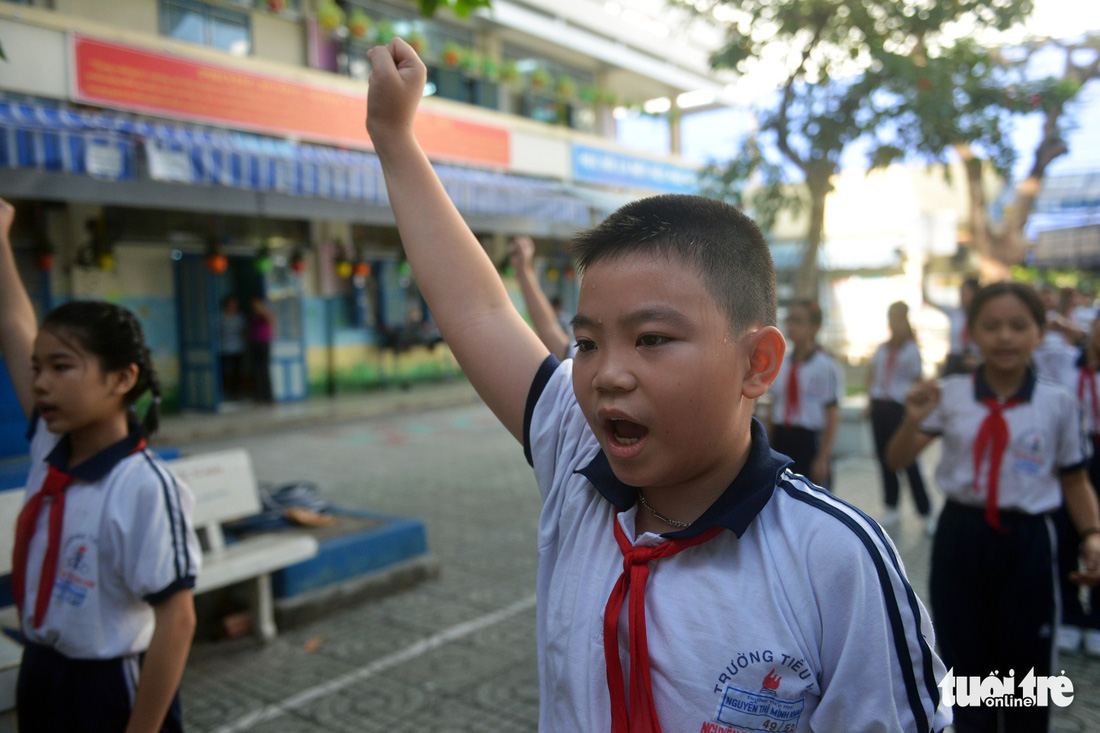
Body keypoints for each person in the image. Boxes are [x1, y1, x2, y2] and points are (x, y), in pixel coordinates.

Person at [365, 38, 950, 731]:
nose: (608, 372)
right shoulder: (578, 473)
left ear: (757, 363)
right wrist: (394, 137)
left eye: (652, 339)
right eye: (586, 342)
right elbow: (477, 309)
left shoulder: (836, 558)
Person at [0, 198, 201, 732]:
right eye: (36, 368)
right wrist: (1, 238)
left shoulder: (142, 485)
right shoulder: (51, 446)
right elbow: (11, 320)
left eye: (61, 367)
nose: (40, 382)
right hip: (42, 669)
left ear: (121, 379)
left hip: (107, 686)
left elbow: (177, 621)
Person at [886, 282, 1100, 733]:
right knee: (966, 660)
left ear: (1039, 334)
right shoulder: (952, 394)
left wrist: (1092, 536)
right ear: (974, 334)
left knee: (1026, 667)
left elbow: (1075, 478)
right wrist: (912, 417)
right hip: (961, 536)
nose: (1005, 337)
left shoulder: (1058, 403)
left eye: (1018, 326)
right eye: (992, 326)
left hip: (1028, 543)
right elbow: (898, 459)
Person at [1053, 315, 1100, 656]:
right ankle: (1070, 614)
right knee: (1067, 532)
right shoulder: (1064, 363)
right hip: (1071, 455)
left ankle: (1097, 617)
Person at [867, 301, 933, 532]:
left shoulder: (910, 350)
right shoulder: (883, 349)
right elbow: (872, 374)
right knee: (884, 459)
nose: (894, 323)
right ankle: (892, 506)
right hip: (880, 407)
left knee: (909, 461)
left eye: (898, 318)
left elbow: (917, 380)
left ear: (905, 321)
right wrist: (869, 401)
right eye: (891, 317)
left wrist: (914, 414)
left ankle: (925, 512)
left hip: (899, 408)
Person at [766, 299, 842, 487]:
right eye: (790, 320)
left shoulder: (825, 366)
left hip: (808, 440)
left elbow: (832, 413)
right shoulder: (781, 363)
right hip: (782, 435)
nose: (791, 326)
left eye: (798, 321)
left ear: (814, 327)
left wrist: (823, 457)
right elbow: (774, 405)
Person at [507, 235, 574, 360]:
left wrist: (523, 270)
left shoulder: (566, 321)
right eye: (586, 344)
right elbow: (548, 330)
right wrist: (523, 269)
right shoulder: (575, 363)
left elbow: (549, 330)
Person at [924, 276, 979, 375]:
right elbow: (929, 300)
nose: (961, 296)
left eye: (965, 293)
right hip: (954, 359)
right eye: (961, 293)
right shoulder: (955, 312)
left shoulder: (982, 315)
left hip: (974, 360)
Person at [247, 295, 274, 403]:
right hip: (255, 343)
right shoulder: (252, 316)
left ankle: (268, 396)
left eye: (257, 304)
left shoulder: (265, 313)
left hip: (264, 343)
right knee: (256, 370)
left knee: (264, 369)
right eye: (253, 304)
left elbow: (270, 321)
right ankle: (259, 395)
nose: (255, 306)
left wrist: (261, 311)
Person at [218, 294, 246, 400]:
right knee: (223, 372)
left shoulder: (240, 317)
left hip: (237, 347)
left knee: (236, 372)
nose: (232, 305)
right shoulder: (221, 316)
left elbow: (243, 331)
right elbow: (218, 331)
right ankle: (222, 392)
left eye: (234, 303)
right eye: (230, 303)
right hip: (223, 348)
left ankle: (235, 393)